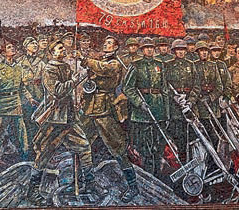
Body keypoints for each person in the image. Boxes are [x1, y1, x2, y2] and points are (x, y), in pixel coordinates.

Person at [28, 40, 93, 204]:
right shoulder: (49, 69)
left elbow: (70, 90)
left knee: (84, 147)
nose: (63, 50)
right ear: (52, 52)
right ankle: (32, 191)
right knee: (44, 153)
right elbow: (57, 91)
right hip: (55, 118)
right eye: (60, 48)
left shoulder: (66, 67)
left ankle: (88, 183)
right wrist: (74, 81)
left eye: (64, 47)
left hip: (69, 117)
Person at [80, 36, 139, 202]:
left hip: (105, 110)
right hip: (90, 109)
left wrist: (85, 60)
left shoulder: (115, 64)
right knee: (82, 145)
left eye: (109, 43)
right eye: (105, 43)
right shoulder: (101, 61)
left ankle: (133, 187)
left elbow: (103, 69)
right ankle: (87, 183)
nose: (105, 45)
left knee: (117, 148)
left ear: (115, 48)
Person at [122, 37, 167, 176]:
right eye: (146, 48)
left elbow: (164, 88)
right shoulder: (136, 65)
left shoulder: (160, 64)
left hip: (158, 109)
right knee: (144, 148)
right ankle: (147, 175)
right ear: (142, 50)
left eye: (151, 47)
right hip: (141, 113)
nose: (149, 50)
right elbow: (128, 88)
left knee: (159, 146)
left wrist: (166, 112)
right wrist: (139, 102)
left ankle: (158, 175)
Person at [0, 42, 31, 161]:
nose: (12, 48)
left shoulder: (19, 67)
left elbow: (21, 86)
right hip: (1, 102)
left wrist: (30, 97)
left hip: (15, 101)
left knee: (21, 133)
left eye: (13, 47)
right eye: (9, 47)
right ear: (3, 52)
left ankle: (25, 157)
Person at [164, 39, 201, 162]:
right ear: (174, 51)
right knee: (179, 137)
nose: (181, 52)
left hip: (189, 105)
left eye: (183, 50)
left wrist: (190, 101)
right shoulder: (168, 65)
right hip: (175, 108)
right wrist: (174, 97)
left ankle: (194, 161)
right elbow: (164, 86)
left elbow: (197, 86)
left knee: (192, 136)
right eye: (178, 50)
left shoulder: (191, 65)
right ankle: (182, 162)